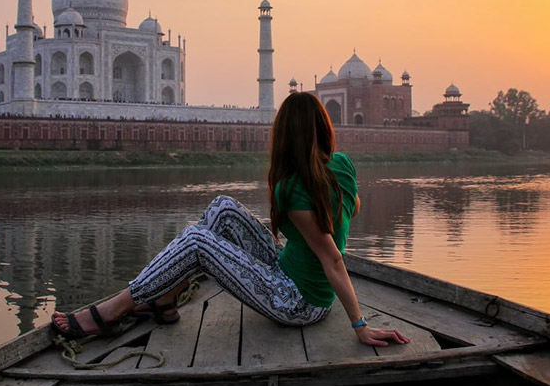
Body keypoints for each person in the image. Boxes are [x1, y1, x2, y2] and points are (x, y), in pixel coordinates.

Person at [53, 92, 410, 347]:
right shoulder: (343, 165)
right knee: (223, 208)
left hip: (300, 304)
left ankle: (111, 310)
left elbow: (333, 257)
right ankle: (164, 300)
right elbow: (353, 210)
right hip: (288, 273)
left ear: (283, 134)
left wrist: (360, 325)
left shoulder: (293, 187)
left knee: (196, 241)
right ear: (323, 126)